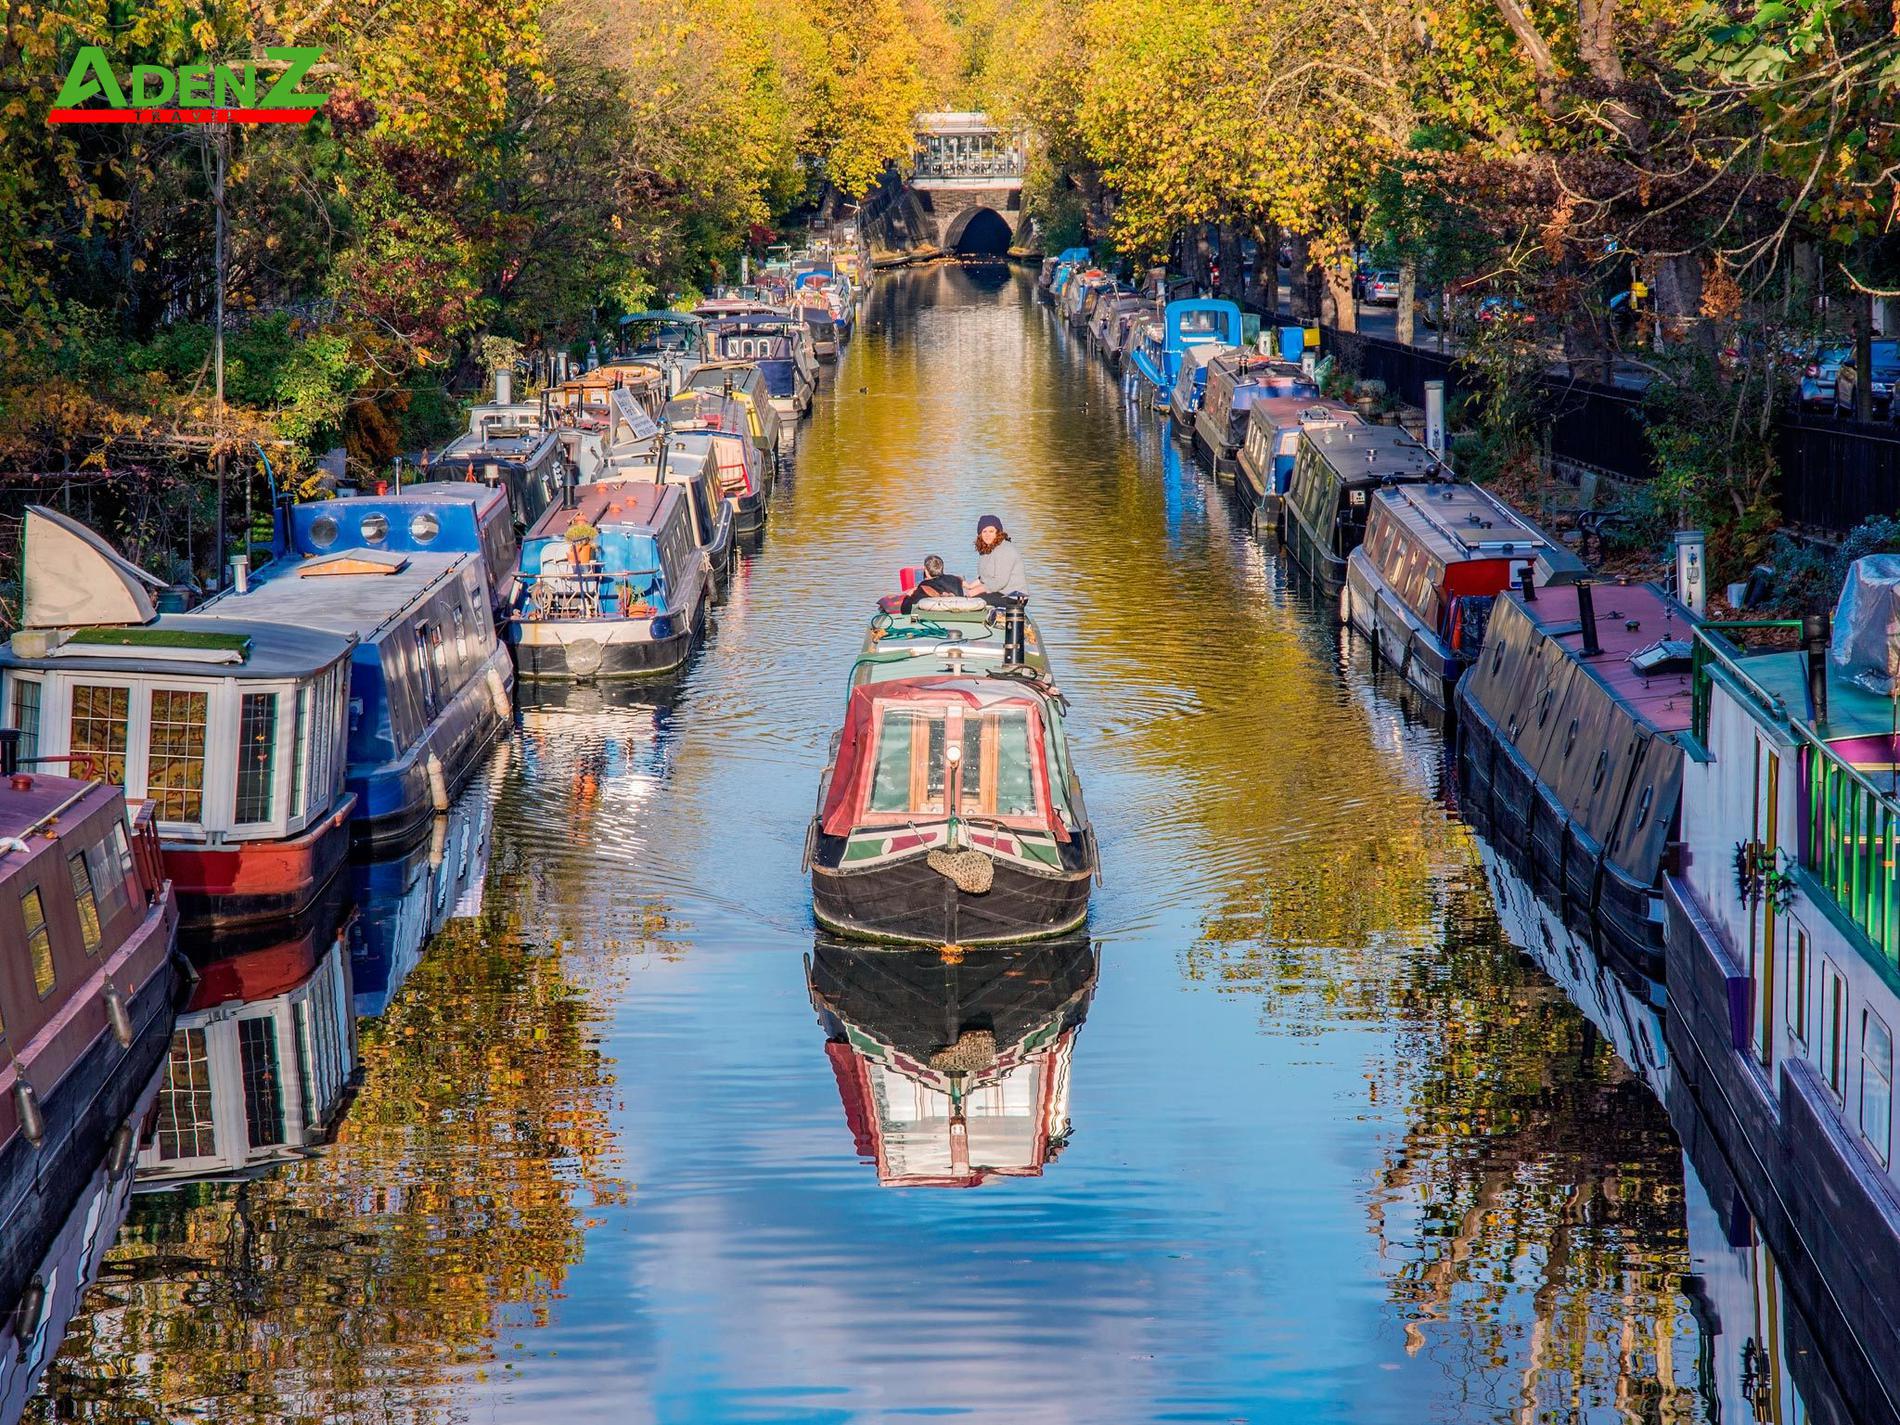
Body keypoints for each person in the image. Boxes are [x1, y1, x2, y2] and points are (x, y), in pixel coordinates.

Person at [965, 514, 1028, 603]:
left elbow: (1000, 582)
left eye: (991, 531)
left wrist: (975, 591)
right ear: (980, 534)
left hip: (1013, 598)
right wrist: (970, 586)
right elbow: (985, 578)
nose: (987, 535)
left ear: (998, 532)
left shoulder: (1005, 549)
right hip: (998, 592)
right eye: (984, 531)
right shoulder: (987, 549)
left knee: (972, 599)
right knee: (962, 593)